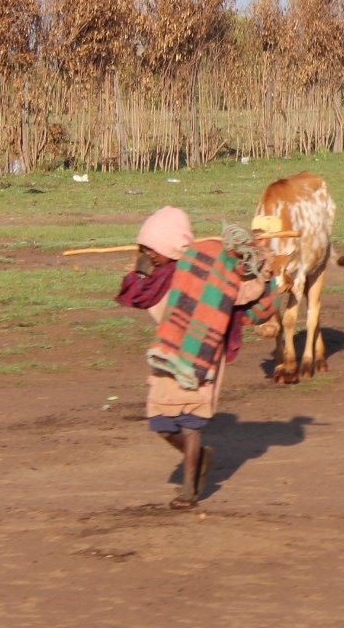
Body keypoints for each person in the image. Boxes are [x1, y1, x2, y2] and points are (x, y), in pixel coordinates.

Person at [116, 206, 279, 508]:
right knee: (160, 421)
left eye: (153, 249)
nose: (149, 255)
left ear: (170, 246)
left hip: (201, 352)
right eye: (145, 249)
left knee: (190, 422)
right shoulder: (156, 277)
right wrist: (141, 266)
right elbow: (135, 295)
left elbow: (239, 292)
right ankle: (201, 457)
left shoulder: (205, 270)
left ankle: (189, 491)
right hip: (167, 352)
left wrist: (260, 265)